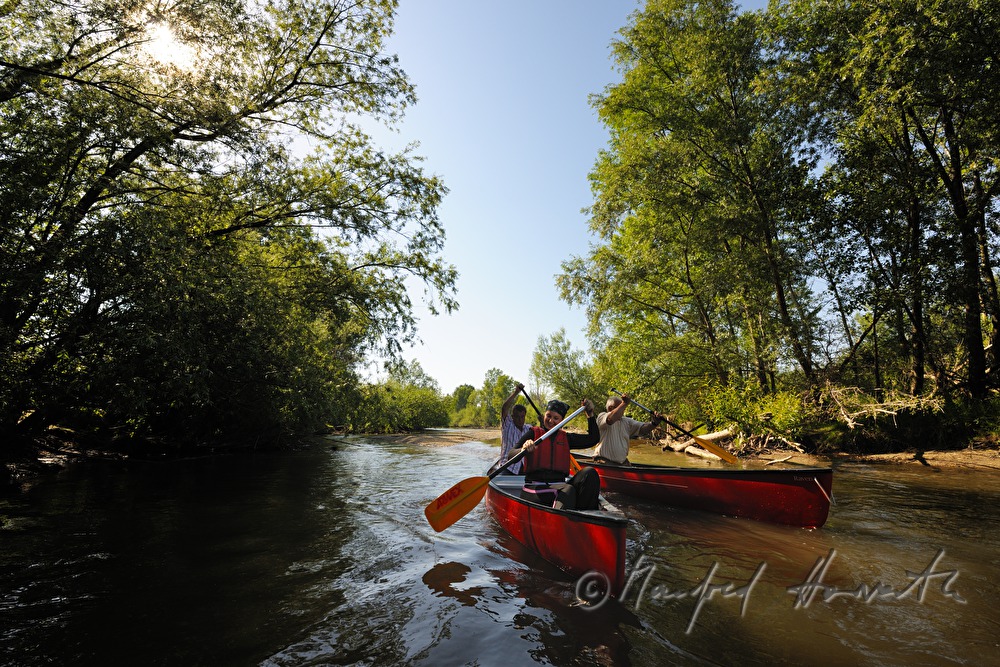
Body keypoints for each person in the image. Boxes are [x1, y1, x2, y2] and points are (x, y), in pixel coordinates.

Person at [516, 398, 601, 510]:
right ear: (544, 416)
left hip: (559, 486)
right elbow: (511, 454)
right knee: (568, 490)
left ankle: (585, 516)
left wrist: (590, 415)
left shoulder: (566, 438)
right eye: (548, 416)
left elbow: (593, 439)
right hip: (535, 488)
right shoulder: (533, 434)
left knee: (590, 473)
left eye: (556, 418)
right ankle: (563, 519)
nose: (551, 421)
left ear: (562, 421)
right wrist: (523, 449)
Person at [594, 393, 663, 464]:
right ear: (610, 408)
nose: (623, 410)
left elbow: (643, 429)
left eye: (624, 407)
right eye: (621, 407)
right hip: (604, 461)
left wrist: (654, 423)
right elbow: (610, 420)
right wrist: (624, 403)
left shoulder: (626, 421)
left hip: (621, 463)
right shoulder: (602, 417)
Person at [499, 382, 533, 474]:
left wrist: (543, 422)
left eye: (522, 417)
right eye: (517, 416)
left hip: (524, 468)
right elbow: (504, 408)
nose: (520, 419)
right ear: (512, 416)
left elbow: (542, 434)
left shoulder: (529, 429)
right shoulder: (508, 425)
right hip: (507, 466)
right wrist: (516, 392)